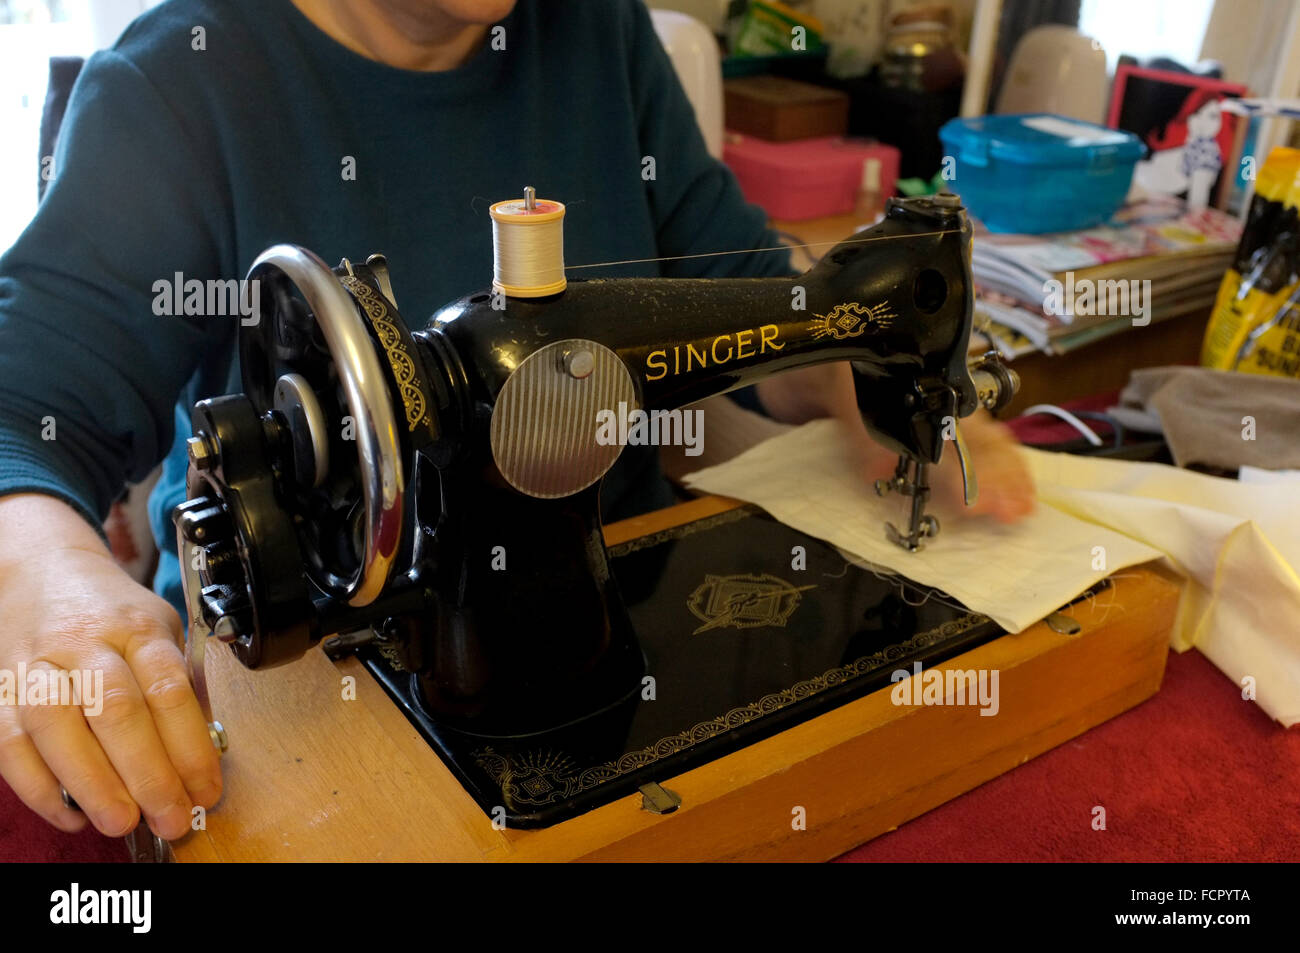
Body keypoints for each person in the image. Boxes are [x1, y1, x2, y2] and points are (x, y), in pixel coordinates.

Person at [0, 0, 1034, 845]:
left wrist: (879, 380)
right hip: (315, 694)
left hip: (606, 600)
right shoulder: (180, 79)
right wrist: (44, 576)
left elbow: (753, 294)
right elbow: (25, 408)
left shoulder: (595, 30)